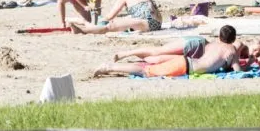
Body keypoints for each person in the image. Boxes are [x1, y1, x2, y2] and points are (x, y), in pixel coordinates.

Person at [94, 25, 241, 78]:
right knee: (146, 71)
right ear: (234, 39)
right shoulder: (231, 49)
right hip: (185, 66)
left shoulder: (214, 44)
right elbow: (237, 71)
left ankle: (113, 65)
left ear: (219, 36)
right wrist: (249, 62)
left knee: (153, 61)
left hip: (187, 61)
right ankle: (109, 67)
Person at [111, 26, 239, 62]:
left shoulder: (217, 42)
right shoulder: (227, 47)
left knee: (159, 52)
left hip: (196, 40)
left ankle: (130, 55)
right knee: (158, 52)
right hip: (195, 46)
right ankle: (125, 54)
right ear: (233, 40)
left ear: (218, 36)